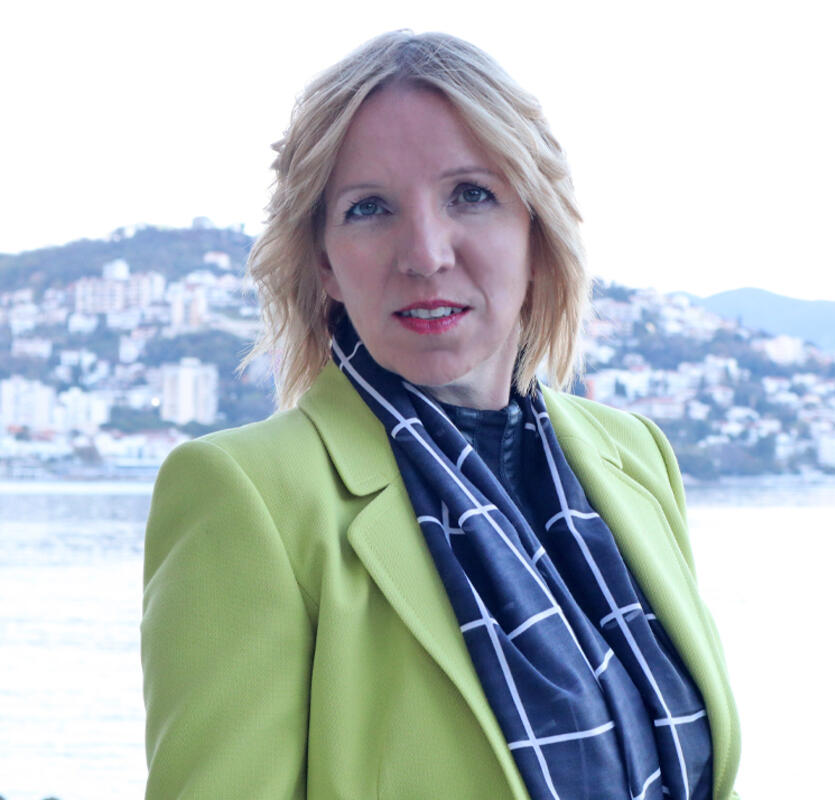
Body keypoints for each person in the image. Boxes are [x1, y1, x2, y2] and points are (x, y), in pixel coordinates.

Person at [141, 30, 741, 800]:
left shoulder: (634, 456)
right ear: (324, 262)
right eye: (369, 209)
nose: (424, 253)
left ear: (536, 228)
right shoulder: (247, 496)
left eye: (470, 194)